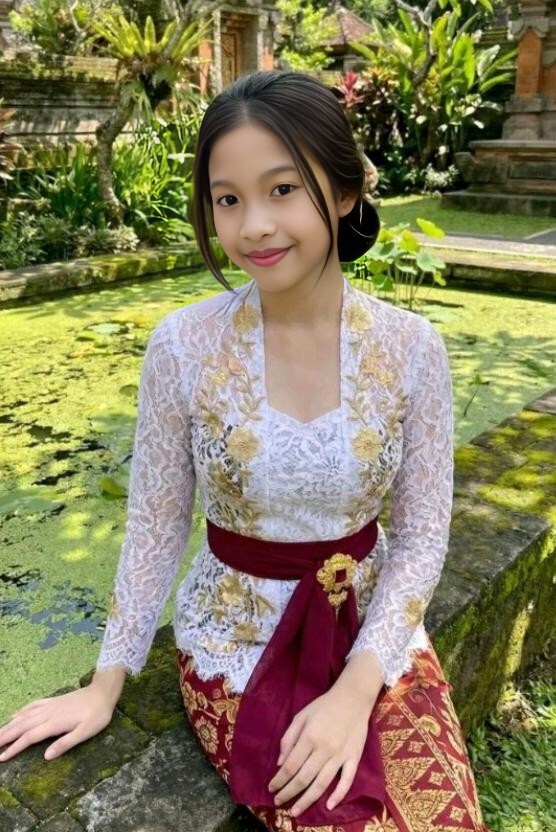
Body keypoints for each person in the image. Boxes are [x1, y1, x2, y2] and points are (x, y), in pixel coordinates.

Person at [0, 70, 490, 832]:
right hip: (236, 640)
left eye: (282, 189)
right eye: (227, 200)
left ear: (346, 192)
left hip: (374, 637)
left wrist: (356, 691)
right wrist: (106, 682)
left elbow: (424, 536)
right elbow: (156, 524)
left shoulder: (412, 348)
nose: (254, 225)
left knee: (448, 819)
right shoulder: (183, 347)